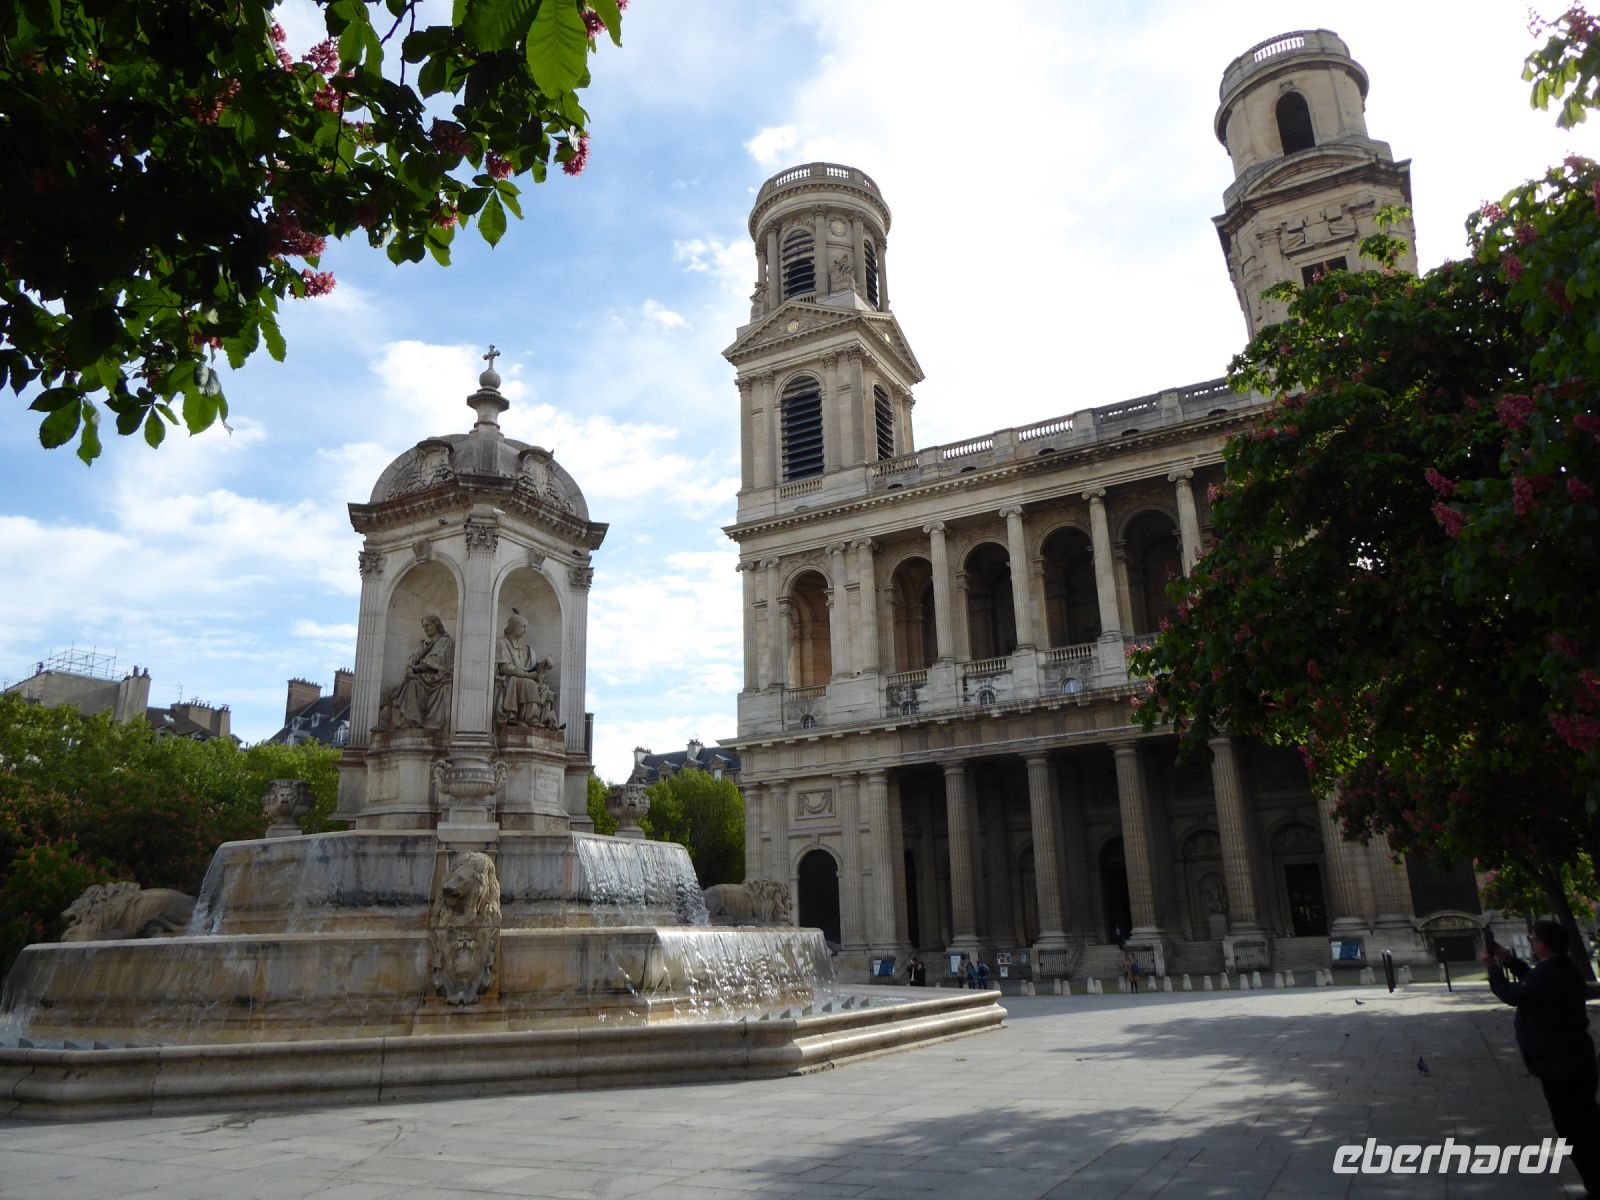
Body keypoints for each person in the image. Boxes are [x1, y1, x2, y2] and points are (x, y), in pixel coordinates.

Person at [1485, 920, 1600, 1195]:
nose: (1532, 942)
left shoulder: (1550, 974)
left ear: (1542, 946)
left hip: (1560, 1065)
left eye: (1533, 938)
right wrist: (1508, 959)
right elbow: (1531, 981)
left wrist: (1492, 967)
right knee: (1587, 1120)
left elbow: (1512, 994)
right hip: (1573, 1060)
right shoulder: (1560, 968)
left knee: (1574, 1130)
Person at [376, 615, 454, 731]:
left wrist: (416, 668)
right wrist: (414, 664)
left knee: (412, 683)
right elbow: (412, 661)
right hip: (421, 676)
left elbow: (436, 662)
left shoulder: (445, 641)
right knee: (391, 692)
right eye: (424, 626)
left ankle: (413, 720)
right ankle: (387, 722)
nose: (426, 629)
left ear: (436, 625)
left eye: (428, 625)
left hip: (436, 677)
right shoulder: (424, 644)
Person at [494, 613, 559, 729]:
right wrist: (526, 675)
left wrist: (544, 664)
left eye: (526, 627)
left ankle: (547, 721)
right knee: (528, 683)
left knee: (545, 688)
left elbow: (534, 667)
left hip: (525, 678)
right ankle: (530, 719)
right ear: (513, 627)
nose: (525, 630)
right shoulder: (501, 643)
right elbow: (504, 667)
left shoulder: (527, 649)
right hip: (510, 679)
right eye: (523, 627)